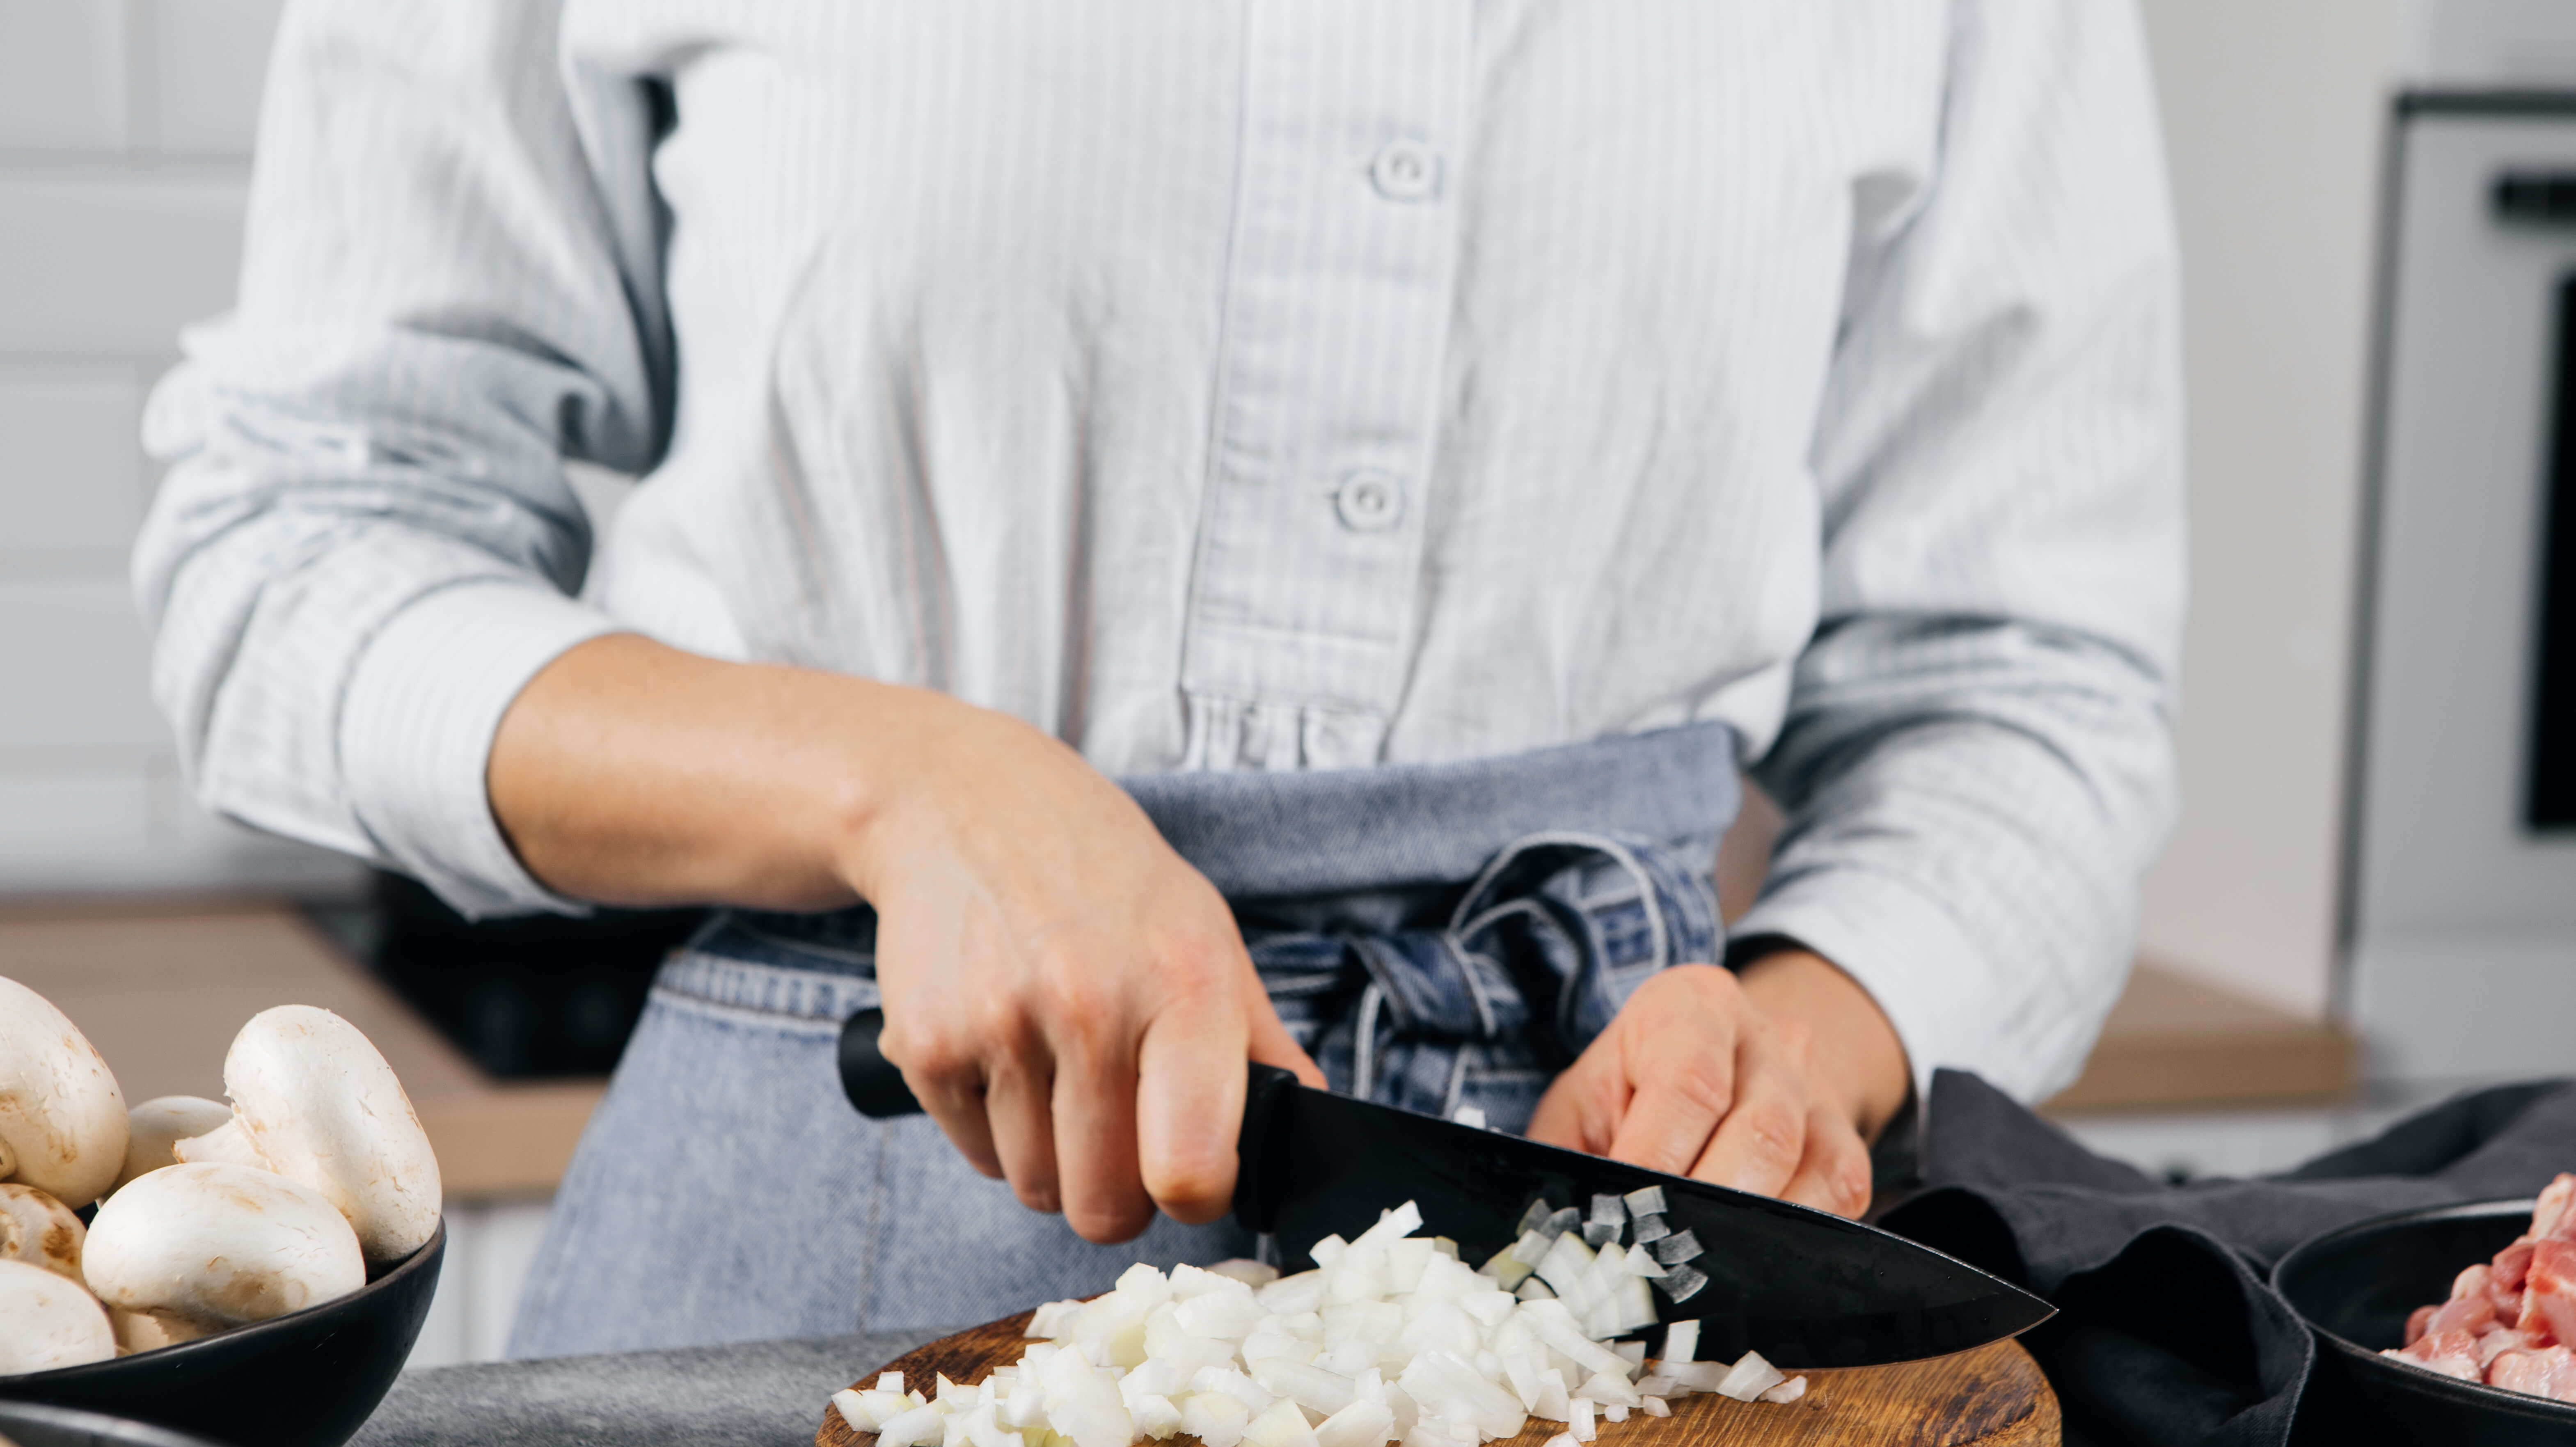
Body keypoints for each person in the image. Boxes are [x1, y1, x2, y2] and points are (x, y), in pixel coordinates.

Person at [135, 2, 2184, 1355]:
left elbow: (2030, 683)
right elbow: (296, 549)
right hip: (809, 1271)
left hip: (1624, 1269)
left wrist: (1798, 1054)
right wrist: (910, 790)